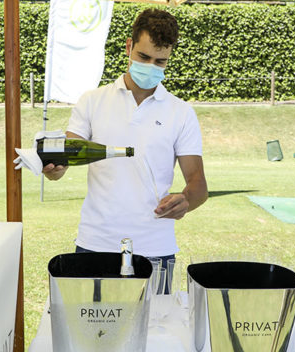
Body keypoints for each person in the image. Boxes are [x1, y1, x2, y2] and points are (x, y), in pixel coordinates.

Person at [43, 9, 208, 269]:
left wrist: (186, 200)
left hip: (155, 248)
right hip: (95, 243)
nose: (150, 67)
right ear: (129, 47)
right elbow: (67, 155)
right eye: (143, 57)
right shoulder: (92, 101)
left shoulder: (181, 112)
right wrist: (55, 169)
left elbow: (198, 185)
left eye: (160, 61)